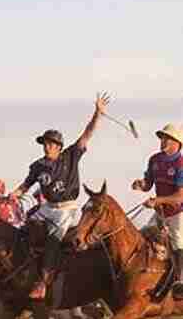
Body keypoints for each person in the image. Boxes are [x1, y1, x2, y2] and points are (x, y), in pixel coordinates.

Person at [10, 92, 111, 298]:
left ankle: (44, 282)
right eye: (45, 143)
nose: (47, 146)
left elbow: (86, 134)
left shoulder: (71, 155)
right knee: (24, 229)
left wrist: (97, 114)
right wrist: (14, 194)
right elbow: (26, 185)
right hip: (47, 208)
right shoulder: (38, 165)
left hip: (67, 208)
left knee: (54, 239)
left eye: (50, 143)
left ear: (58, 146)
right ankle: (22, 270)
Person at [132, 123, 183, 298]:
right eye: (162, 137)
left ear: (177, 141)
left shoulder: (181, 163)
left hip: (178, 212)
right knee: (144, 234)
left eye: (166, 137)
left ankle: (179, 281)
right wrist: (141, 185)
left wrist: (157, 200)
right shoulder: (154, 160)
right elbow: (148, 184)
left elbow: (179, 196)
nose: (162, 140)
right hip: (160, 211)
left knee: (178, 242)